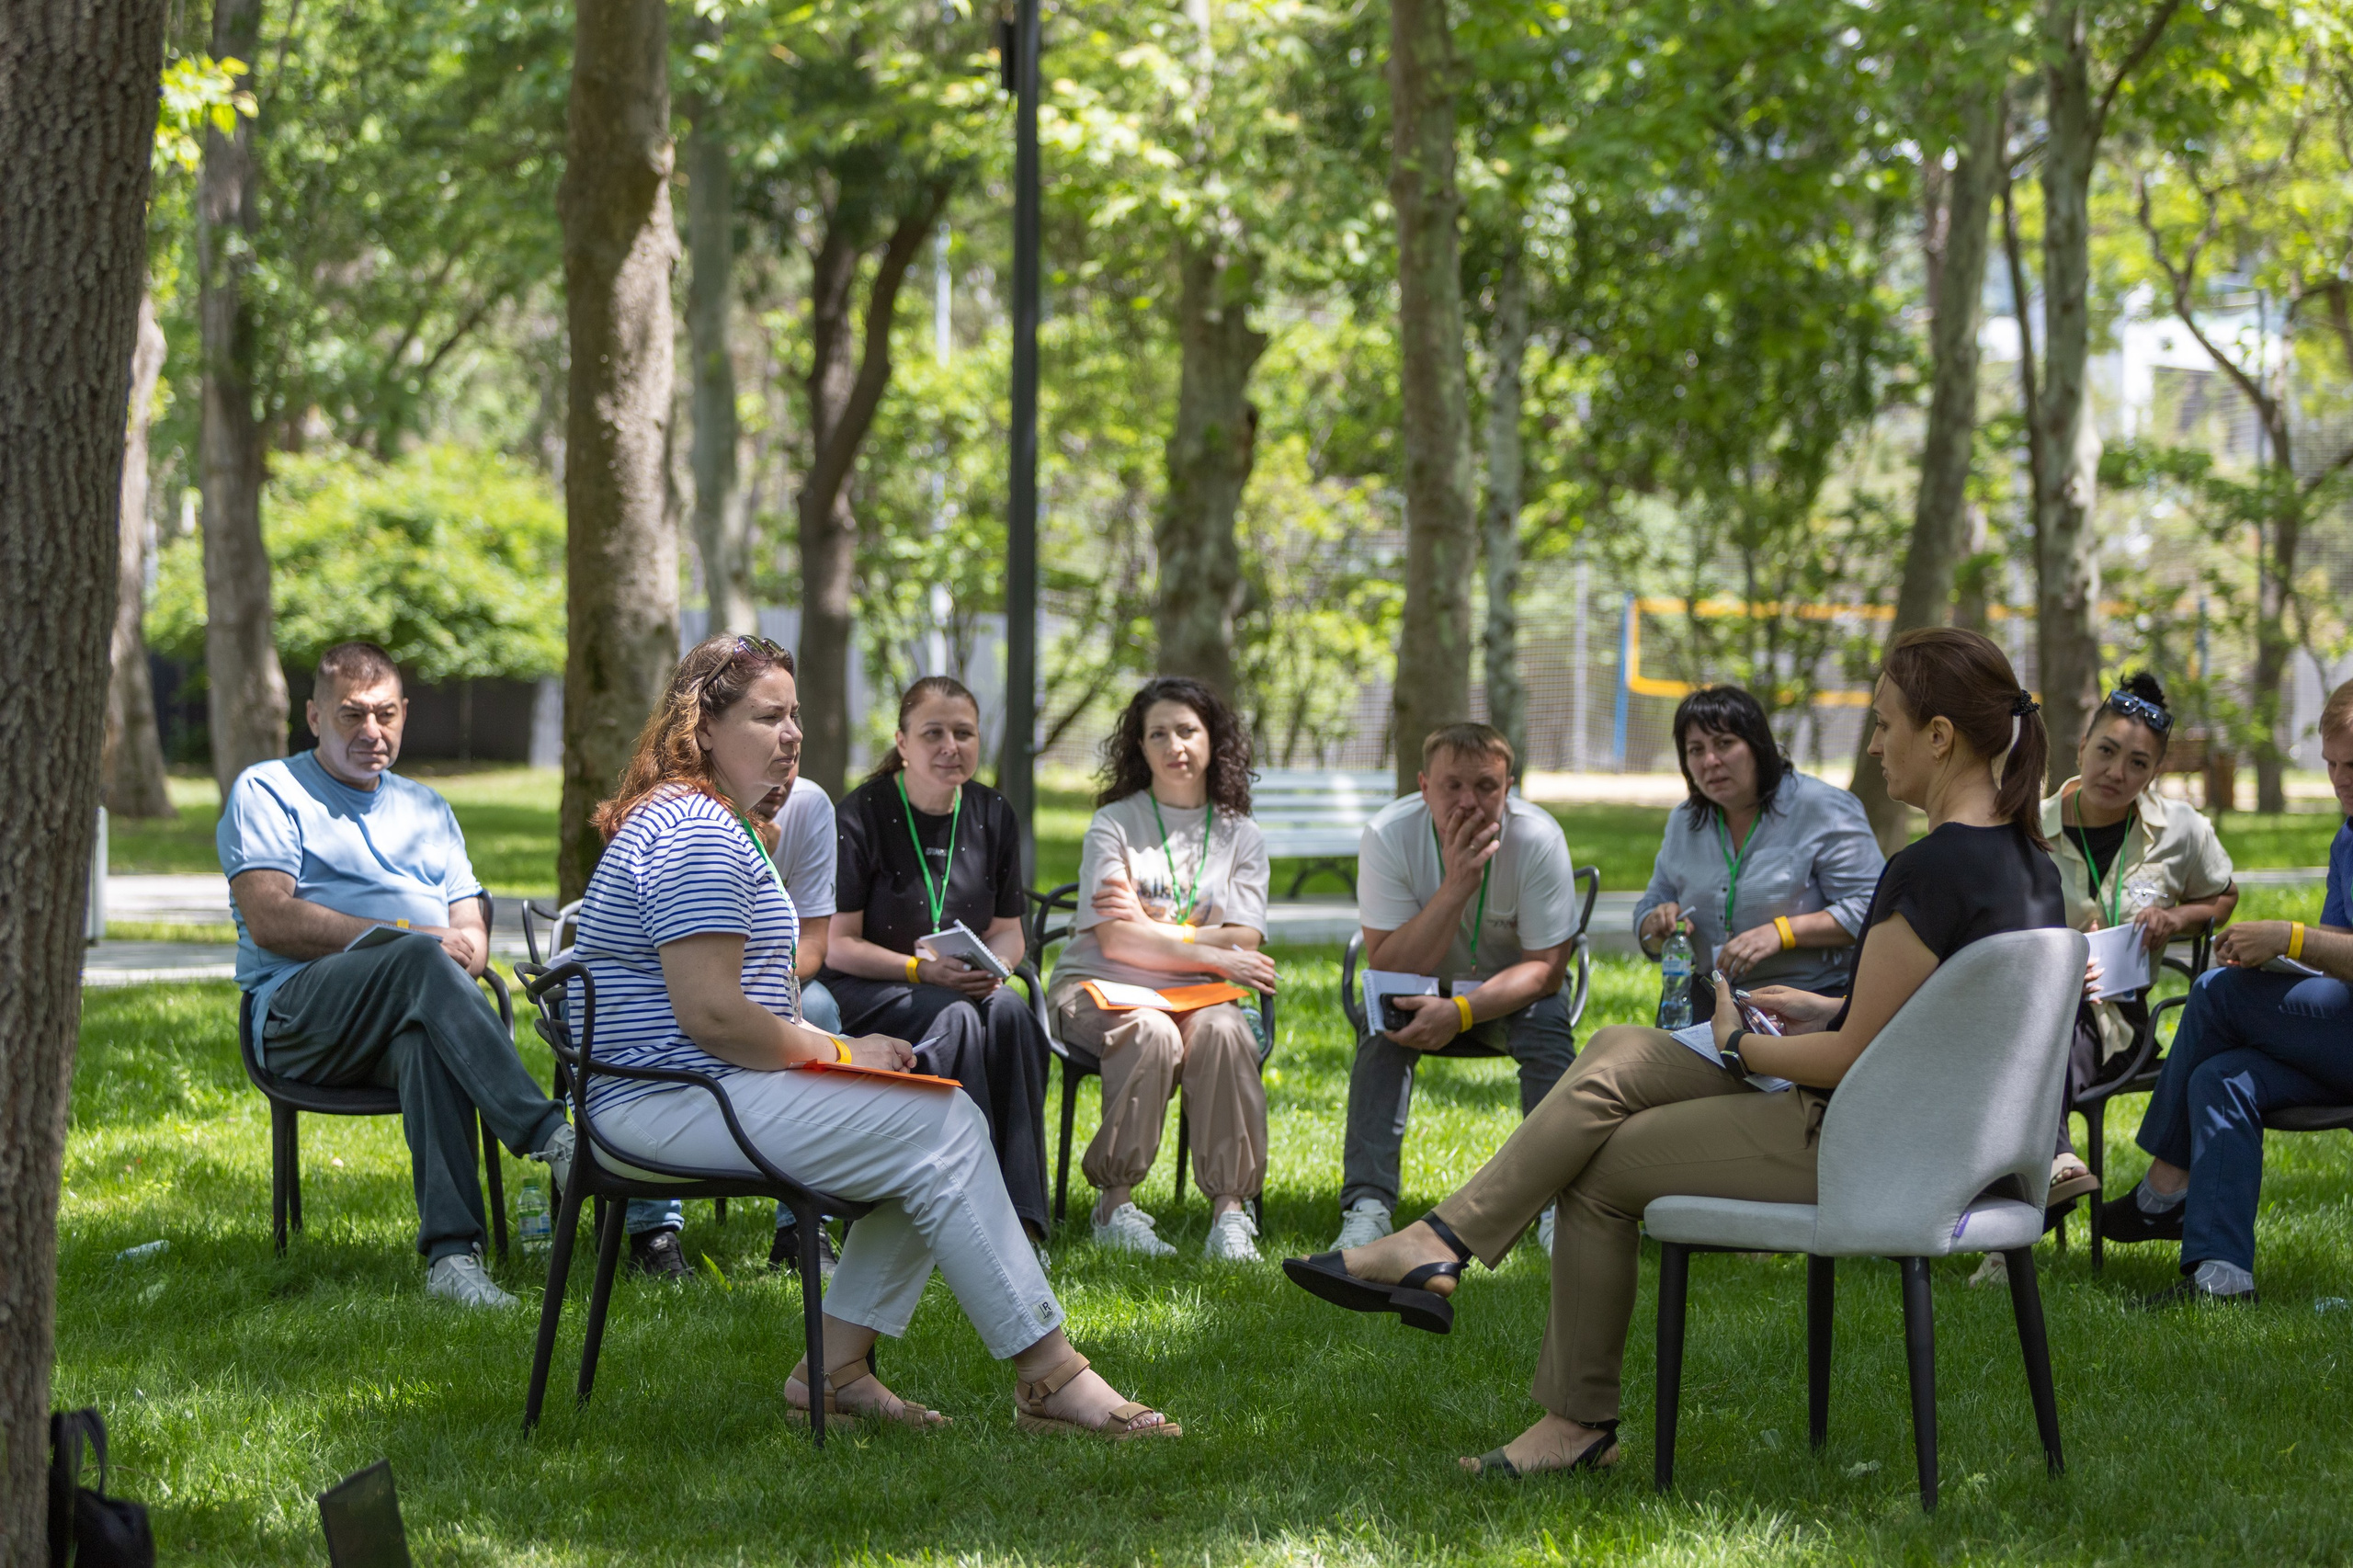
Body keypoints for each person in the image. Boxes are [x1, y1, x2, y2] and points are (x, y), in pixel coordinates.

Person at [1284, 627, 2065, 1478]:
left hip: (1869, 1147)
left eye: (1884, 725)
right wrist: (1821, 1005)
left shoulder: (1929, 867)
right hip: (1942, 1136)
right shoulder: (2028, 861)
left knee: (1601, 1165)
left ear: (1941, 735)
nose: (1874, 745)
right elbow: (1941, 1017)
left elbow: (1847, 1063)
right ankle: (1442, 1246)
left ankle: (1563, 1409)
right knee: (1620, 1045)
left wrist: (1742, 1043)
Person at [571, 635, 1176, 1437]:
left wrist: (843, 1061)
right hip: (669, 1103)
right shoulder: (696, 833)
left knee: (928, 1125)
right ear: (702, 728)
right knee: (945, 1123)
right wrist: (845, 1052)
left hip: (690, 1089)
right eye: (766, 716)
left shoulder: (703, 821)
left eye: (794, 716)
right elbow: (711, 1016)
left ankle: (836, 1373)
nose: (791, 734)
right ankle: (1048, 1377)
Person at [219, 641, 574, 1309]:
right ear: (314, 716)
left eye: (385, 714)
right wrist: (416, 941)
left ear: (404, 713)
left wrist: (459, 943)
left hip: (411, 1011)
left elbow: (469, 927)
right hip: (299, 1016)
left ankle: (452, 1260)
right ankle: (550, 1135)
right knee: (415, 960)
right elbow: (271, 919)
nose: (371, 732)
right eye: (351, 715)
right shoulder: (268, 790)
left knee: (424, 1038)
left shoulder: (428, 809)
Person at [2100, 679, 2353, 1306]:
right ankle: (2222, 1280)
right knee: (2221, 1077)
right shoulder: (2348, 835)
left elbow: (2322, 945)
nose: (2341, 780)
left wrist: (2291, 938)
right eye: (2330, 765)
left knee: (2215, 993)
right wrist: (2279, 961)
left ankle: (2160, 1191)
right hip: (2338, 1039)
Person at [818, 676, 1053, 1256]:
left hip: (966, 985)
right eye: (934, 733)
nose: (952, 746)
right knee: (961, 1019)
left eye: (964, 733)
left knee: (1012, 1014)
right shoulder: (860, 815)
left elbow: (1009, 932)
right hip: (872, 988)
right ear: (902, 743)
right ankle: (955, 1207)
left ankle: (1021, 1220)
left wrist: (994, 966)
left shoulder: (993, 812)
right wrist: (921, 971)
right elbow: (838, 945)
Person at [1045, 677, 1276, 1262]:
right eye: (1158, 733)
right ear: (1139, 748)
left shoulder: (1240, 834)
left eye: (1188, 730)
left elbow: (1244, 938)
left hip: (1200, 996)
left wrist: (1160, 935)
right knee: (1148, 1028)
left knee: (1228, 1031)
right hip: (1100, 986)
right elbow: (1115, 939)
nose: (1175, 744)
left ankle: (1230, 1213)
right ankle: (1114, 1206)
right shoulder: (1115, 824)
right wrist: (1209, 947)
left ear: (1213, 740)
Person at [1334, 722, 1581, 1256]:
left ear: (1508, 786)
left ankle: (1558, 1203)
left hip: (1509, 994)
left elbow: (1546, 970)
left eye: (1486, 786)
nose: (1470, 801)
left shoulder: (1538, 838)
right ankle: (1368, 1206)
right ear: (1423, 787)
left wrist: (1461, 1012)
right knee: (1382, 1035)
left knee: (1547, 1031)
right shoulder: (1388, 834)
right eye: (1452, 786)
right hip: (1417, 984)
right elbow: (1389, 962)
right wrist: (1456, 887)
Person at [621, 762, 847, 1279]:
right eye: (768, 725)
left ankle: (801, 1226)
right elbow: (688, 976)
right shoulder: (690, 825)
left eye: (795, 742)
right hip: (673, 995)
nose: (783, 776)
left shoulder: (811, 808)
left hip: (765, 981)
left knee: (818, 1009)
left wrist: (758, 976)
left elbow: (812, 941)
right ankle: (651, 1232)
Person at [2039, 673, 2236, 1212]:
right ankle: (2051, 1169)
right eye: (2105, 751)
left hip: (2120, 1018)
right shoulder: (2030, 828)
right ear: (2081, 746)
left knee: (2040, 1047)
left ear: (2156, 771)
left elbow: (2224, 897)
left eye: (2138, 764)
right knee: (2035, 1032)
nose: (2116, 773)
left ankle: (2038, 1186)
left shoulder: (2181, 830)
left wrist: (2179, 918)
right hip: (2035, 998)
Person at [1633, 685, 1882, 1017]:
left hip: (1806, 1007)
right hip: (1707, 1002)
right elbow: (1648, 911)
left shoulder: (1821, 807)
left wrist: (1781, 933)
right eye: (1695, 749)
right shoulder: (1684, 821)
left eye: (1724, 744)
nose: (1710, 760)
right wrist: (1656, 922)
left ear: (1758, 746)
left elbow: (1871, 909)